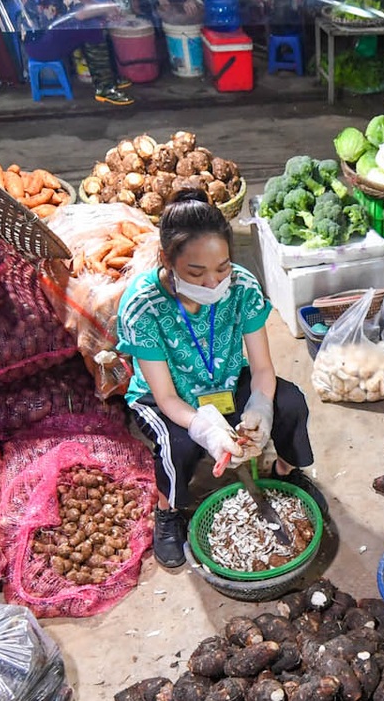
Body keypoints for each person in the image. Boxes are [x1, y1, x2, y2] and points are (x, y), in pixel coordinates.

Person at [118, 191, 317, 568]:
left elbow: (261, 369)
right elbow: (165, 397)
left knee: (290, 403)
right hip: (168, 396)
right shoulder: (144, 305)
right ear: (166, 259)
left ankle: (286, 472)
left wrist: (260, 406)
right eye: (196, 272)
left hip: (225, 380)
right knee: (178, 446)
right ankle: (168, 512)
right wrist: (204, 427)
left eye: (222, 267)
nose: (212, 283)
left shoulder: (241, 288)